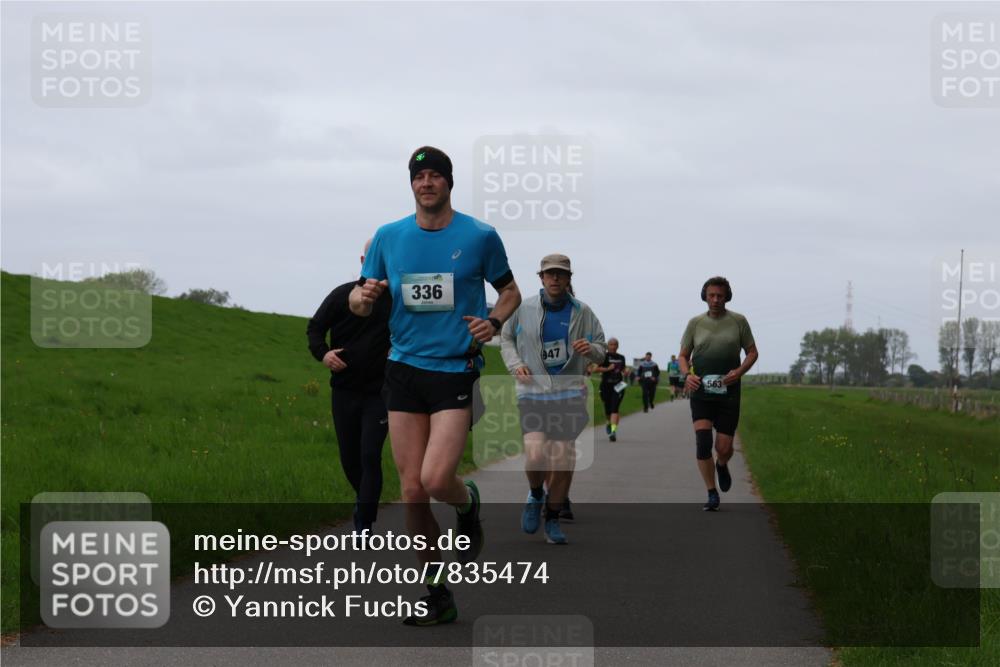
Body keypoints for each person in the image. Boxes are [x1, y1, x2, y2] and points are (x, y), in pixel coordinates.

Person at [350, 146, 521, 625]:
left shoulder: (479, 235)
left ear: (449, 182)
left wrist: (493, 321)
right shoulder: (388, 236)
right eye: (418, 176)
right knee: (412, 491)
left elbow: (510, 292)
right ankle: (437, 593)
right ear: (412, 185)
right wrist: (363, 297)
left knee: (436, 480)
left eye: (435, 175)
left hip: (454, 369)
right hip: (403, 369)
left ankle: (467, 503)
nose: (426, 183)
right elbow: (359, 300)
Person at [500, 254, 606, 545]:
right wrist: (515, 365)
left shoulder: (583, 312)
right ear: (541, 278)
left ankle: (553, 518)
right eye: (550, 273)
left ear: (569, 278)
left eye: (561, 274)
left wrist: (591, 350)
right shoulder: (523, 308)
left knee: (561, 460)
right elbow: (506, 338)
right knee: (535, 455)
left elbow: (601, 349)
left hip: (568, 393)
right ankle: (536, 494)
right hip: (533, 392)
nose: (555, 278)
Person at [307, 239, 391, 535]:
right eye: (374, 257)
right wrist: (324, 354)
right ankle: (363, 501)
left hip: (380, 392)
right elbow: (315, 329)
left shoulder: (398, 300)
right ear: (363, 260)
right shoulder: (341, 295)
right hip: (344, 390)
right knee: (350, 458)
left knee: (369, 454)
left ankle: (364, 522)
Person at [678, 277, 758, 512]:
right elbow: (683, 356)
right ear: (705, 296)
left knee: (723, 448)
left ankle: (722, 464)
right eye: (711, 295)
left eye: (720, 296)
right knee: (703, 444)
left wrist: (739, 372)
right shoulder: (695, 323)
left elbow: (752, 352)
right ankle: (712, 492)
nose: (715, 300)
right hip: (701, 390)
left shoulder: (739, 321)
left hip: (728, 393)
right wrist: (687, 375)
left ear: (727, 297)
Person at [595, 338, 627, 441]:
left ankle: (613, 431)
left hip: (618, 386)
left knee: (615, 408)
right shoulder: (603, 356)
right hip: (606, 386)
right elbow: (595, 369)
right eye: (611, 344)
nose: (613, 346)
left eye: (615, 344)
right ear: (607, 346)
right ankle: (609, 423)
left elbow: (623, 369)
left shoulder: (621, 357)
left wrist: (626, 371)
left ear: (618, 346)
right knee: (608, 410)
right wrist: (608, 369)